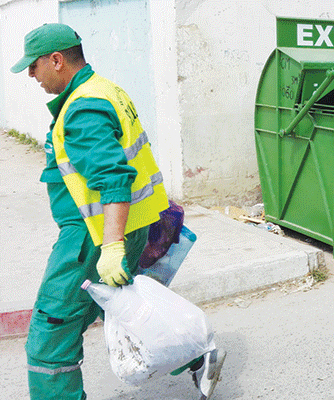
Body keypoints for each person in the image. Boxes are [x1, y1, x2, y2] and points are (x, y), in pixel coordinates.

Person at [11, 23, 225, 400]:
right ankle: (196, 356)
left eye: (34, 65)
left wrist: (110, 247)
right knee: (125, 310)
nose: (31, 74)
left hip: (91, 237)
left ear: (57, 60)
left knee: (51, 333)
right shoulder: (105, 90)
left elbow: (113, 178)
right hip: (125, 228)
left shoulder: (82, 108)